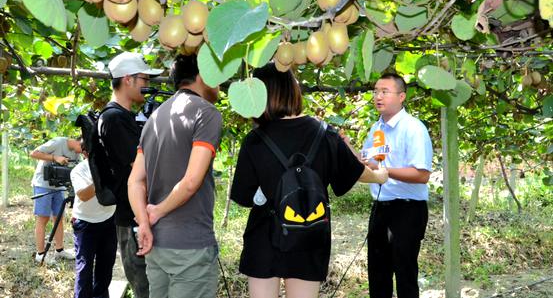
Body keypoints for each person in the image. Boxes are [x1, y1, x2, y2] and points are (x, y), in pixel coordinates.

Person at [230, 63, 388, 298]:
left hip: (264, 236)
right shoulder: (325, 133)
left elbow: (243, 197)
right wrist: (379, 176)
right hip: (309, 232)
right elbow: (354, 172)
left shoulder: (255, 140)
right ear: (292, 90)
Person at [128, 54, 222, 298]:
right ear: (203, 75)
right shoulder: (206, 113)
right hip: (189, 246)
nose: (220, 83)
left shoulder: (154, 119)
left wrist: (145, 223)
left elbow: (135, 180)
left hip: (157, 245)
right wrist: (157, 211)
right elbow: (191, 181)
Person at [362, 73, 433, 298]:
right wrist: (347, 149)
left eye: (385, 91)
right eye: (376, 91)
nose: (378, 96)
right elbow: (369, 163)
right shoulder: (376, 129)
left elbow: (422, 174)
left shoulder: (413, 128)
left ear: (402, 96)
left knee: (405, 274)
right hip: (381, 208)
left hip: (408, 209)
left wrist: (386, 171)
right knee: (377, 273)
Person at [98, 51, 162, 298]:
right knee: (145, 287)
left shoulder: (126, 117)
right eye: (144, 80)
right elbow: (139, 164)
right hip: (132, 217)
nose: (147, 87)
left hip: (139, 214)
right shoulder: (114, 119)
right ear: (128, 79)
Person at [70, 145, 117, 298]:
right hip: (85, 223)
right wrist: (101, 178)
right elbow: (83, 195)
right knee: (84, 268)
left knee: (105, 266)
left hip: (109, 220)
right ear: (85, 153)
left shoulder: (113, 166)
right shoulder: (79, 170)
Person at [30, 137, 81, 263]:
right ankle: (40, 253)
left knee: (58, 218)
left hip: (60, 187)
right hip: (43, 185)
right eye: (83, 148)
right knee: (43, 218)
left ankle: (59, 250)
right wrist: (55, 158)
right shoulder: (58, 142)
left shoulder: (77, 153)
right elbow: (34, 153)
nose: (83, 152)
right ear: (78, 141)